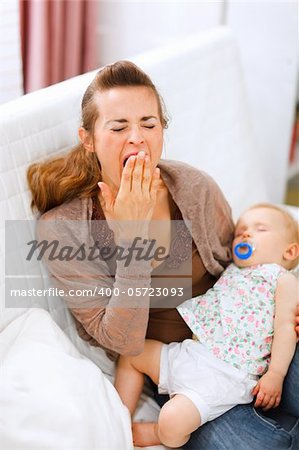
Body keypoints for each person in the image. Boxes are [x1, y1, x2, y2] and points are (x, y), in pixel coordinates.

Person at [27, 61, 299, 449]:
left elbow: (240, 265)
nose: (136, 138)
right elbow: (122, 342)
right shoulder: (63, 228)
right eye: (118, 127)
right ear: (87, 138)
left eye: (149, 124)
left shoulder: (193, 185)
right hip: (178, 371)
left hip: (249, 341)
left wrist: (283, 304)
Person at [114, 204, 299, 448]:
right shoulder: (232, 269)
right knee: (133, 353)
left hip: (226, 373)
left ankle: (159, 432)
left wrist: (276, 373)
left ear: (290, 252)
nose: (245, 234)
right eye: (240, 231)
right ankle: (117, 418)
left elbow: (286, 326)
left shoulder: (283, 279)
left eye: (260, 229)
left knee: (172, 420)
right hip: (191, 352)